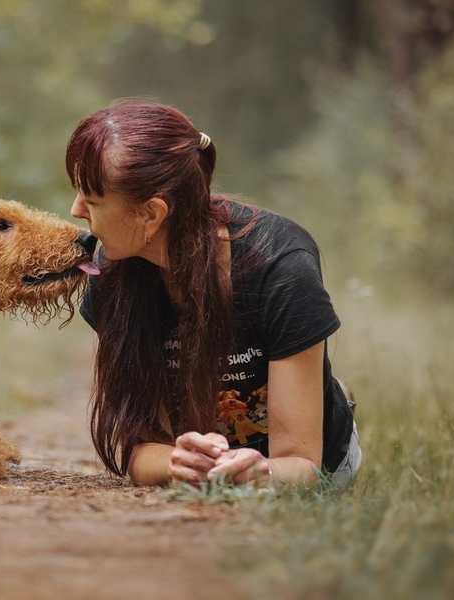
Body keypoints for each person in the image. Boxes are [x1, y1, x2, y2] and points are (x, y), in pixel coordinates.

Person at [66, 98, 361, 489]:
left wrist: (262, 472)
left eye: (93, 199)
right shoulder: (112, 273)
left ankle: (330, 397)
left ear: (151, 214)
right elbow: (140, 450)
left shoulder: (281, 266)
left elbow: (304, 464)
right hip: (214, 455)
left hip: (317, 462)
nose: (75, 210)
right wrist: (177, 461)